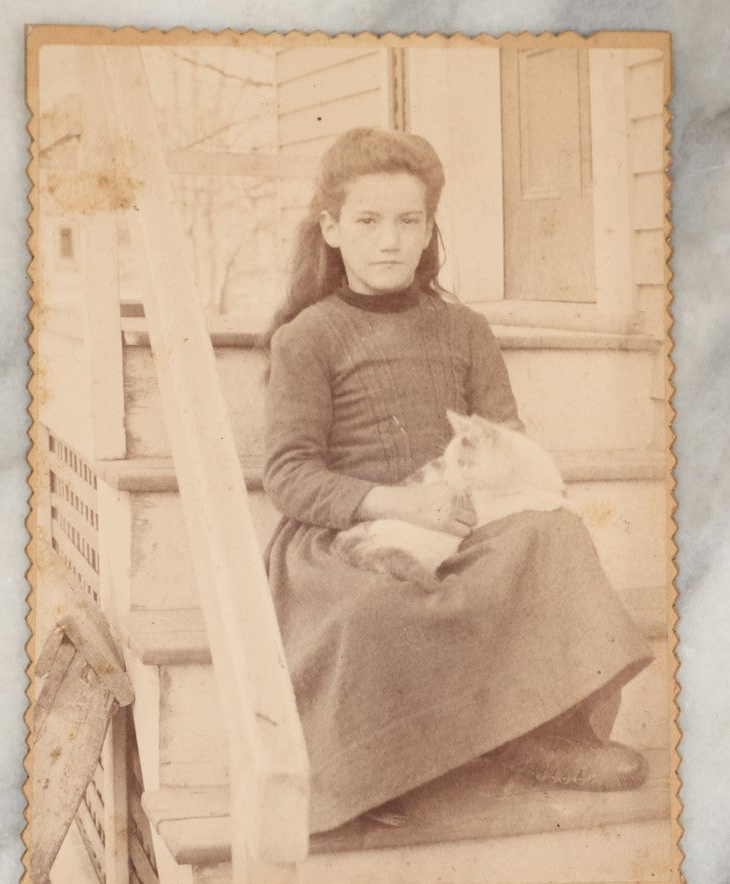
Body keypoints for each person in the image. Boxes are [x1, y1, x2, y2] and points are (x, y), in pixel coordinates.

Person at [262, 127, 653, 836]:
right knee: (368, 612)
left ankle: (544, 731)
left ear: (428, 229)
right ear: (331, 229)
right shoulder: (308, 338)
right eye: (367, 221)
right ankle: (383, 765)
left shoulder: (463, 329)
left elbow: (504, 438)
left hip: (462, 519)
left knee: (554, 540)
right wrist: (396, 502)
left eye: (408, 221)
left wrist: (474, 503)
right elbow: (290, 475)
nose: (389, 241)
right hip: (350, 535)